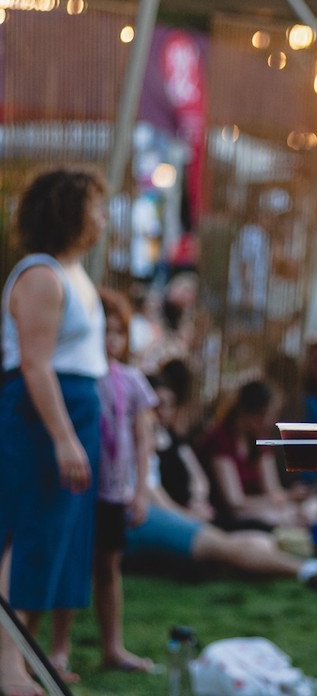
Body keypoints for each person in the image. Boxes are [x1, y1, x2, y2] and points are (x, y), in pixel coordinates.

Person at [0, 166, 109, 696]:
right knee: (25, 536)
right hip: (42, 418)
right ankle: (6, 666)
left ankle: (26, 657)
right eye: (96, 206)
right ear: (70, 212)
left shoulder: (73, 272)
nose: (104, 217)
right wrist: (64, 437)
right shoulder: (41, 275)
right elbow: (35, 364)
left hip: (74, 413)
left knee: (52, 539)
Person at [123, 371, 317, 590]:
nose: (162, 413)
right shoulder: (218, 442)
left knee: (308, 510)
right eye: (156, 407)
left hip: (194, 512)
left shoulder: (173, 440)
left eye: (168, 405)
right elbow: (229, 501)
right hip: (204, 515)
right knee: (249, 539)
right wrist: (189, 513)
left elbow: (199, 481)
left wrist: (289, 502)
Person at [92, 288, 156, 673]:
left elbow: (142, 440)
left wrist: (141, 490)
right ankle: (58, 647)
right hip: (82, 490)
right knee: (69, 567)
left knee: (109, 567)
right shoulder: (80, 377)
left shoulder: (132, 381)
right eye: (104, 330)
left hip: (115, 490)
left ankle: (112, 646)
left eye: (118, 331)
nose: (111, 339)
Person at [195, 379, 317, 533]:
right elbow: (234, 502)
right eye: (265, 416)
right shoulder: (220, 441)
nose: (269, 422)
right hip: (228, 515)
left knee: (307, 510)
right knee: (281, 518)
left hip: (256, 507)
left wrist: (290, 497)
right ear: (248, 414)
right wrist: (284, 500)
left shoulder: (258, 441)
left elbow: (273, 489)